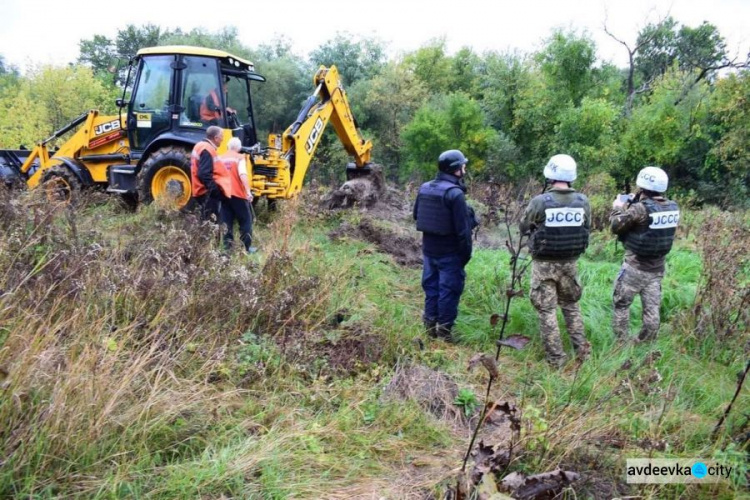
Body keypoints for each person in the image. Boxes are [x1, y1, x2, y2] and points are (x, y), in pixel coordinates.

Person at [520, 154, 591, 368]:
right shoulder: (583, 201)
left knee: (547, 310)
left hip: (544, 265)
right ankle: (583, 354)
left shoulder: (540, 202)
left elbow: (524, 228)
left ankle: (556, 360)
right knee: (571, 306)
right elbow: (587, 228)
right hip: (570, 264)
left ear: (549, 176)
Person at [413, 149, 478, 343]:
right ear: (456, 169)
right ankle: (444, 334)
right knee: (448, 291)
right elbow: (463, 231)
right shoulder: (455, 194)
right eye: (463, 166)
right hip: (449, 253)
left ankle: (429, 328)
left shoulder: (424, 188)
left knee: (431, 288)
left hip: (428, 250)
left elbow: (417, 215)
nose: (465, 169)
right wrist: (465, 256)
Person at [610, 166, 679, 342]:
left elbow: (616, 226)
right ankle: (645, 344)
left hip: (635, 267)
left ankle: (621, 345)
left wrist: (618, 208)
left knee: (621, 305)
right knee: (651, 310)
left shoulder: (640, 209)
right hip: (657, 269)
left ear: (642, 187)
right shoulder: (672, 207)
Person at [219, 137, 256, 253]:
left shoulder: (220, 158)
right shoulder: (240, 158)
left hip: (224, 194)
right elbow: (243, 174)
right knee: (245, 221)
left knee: (226, 221)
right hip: (238, 194)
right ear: (239, 147)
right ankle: (245, 248)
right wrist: (248, 192)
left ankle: (227, 248)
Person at [190, 126, 231, 221]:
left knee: (205, 221)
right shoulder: (207, 149)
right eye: (222, 136)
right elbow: (204, 174)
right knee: (211, 223)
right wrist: (215, 192)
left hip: (199, 190)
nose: (223, 139)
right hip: (206, 193)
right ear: (216, 138)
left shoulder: (199, 145)